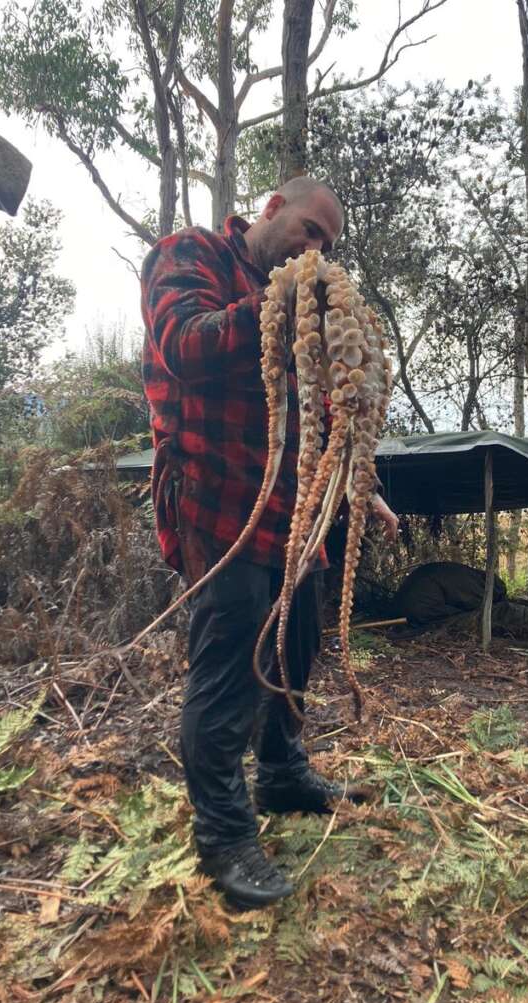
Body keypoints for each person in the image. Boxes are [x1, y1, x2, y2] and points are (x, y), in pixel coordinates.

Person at [141, 177, 398, 910]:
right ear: (272, 209)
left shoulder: (303, 307)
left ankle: (283, 773)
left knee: (296, 645)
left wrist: (359, 482)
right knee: (230, 668)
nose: (316, 249)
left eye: (329, 243)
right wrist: (282, 306)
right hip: (217, 497)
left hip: (294, 506)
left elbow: (321, 404)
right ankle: (223, 834)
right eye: (310, 230)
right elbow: (185, 345)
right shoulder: (186, 255)